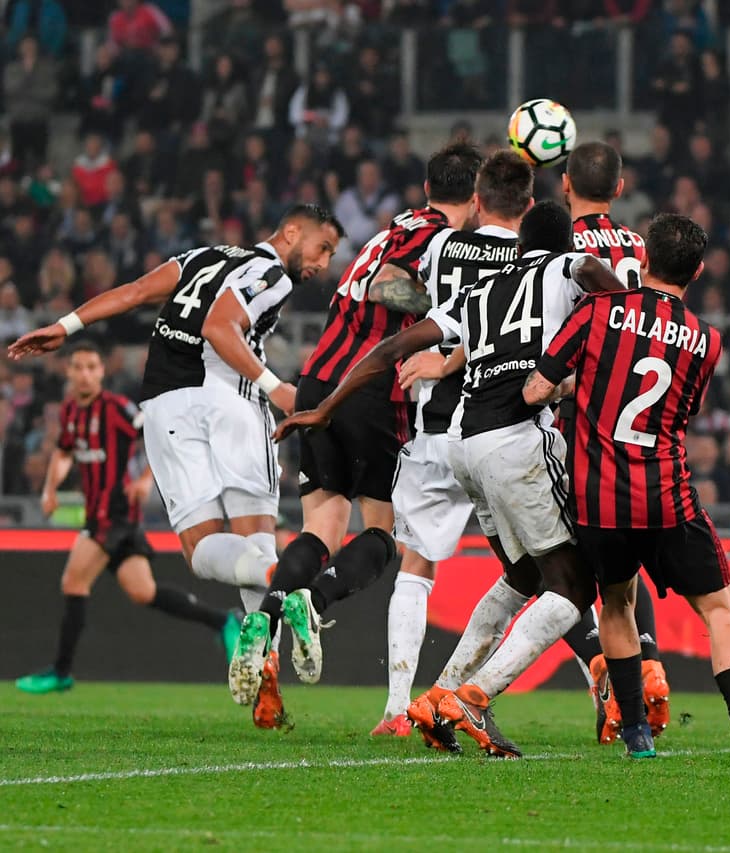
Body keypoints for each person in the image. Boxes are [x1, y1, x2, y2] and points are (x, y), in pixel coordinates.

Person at [277, 201, 617, 758]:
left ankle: (431, 697)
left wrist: (325, 406)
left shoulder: (474, 288)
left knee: (519, 575)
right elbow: (585, 271)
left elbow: (390, 347)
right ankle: (475, 697)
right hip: (518, 439)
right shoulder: (563, 267)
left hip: (460, 442)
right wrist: (634, 309)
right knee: (574, 584)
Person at [9, 203, 343, 729]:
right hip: (229, 400)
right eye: (323, 248)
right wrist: (277, 387)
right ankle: (284, 588)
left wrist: (66, 325)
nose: (323, 263)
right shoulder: (272, 273)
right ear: (292, 231)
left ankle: (268, 679)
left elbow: (135, 292)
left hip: (165, 404)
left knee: (201, 550)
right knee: (258, 539)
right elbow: (219, 327)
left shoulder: (201, 256)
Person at [521, 213, 730, 765]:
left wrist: (580, 389)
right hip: (666, 496)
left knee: (618, 603)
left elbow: (536, 390)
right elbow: (681, 413)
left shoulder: (595, 311)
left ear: (644, 258)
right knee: (720, 610)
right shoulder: (707, 340)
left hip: (599, 499)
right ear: (697, 272)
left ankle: (636, 737)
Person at [226, 144, 482, 728]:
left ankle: (266, 616)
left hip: (318, 381)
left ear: (427, 186)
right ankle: (313, 600)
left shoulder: (393, 228)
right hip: (370, 390)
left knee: (320, 527)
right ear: (474, 199)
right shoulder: (436, 238)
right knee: (382, 534)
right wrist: (444, 316)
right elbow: (385, 285)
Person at [369, 150, 524, 738]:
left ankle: (395, 709)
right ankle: (604, 692)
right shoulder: (533, 259)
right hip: (502, 427)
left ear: (477, 201)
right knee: (550, 566)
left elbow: (394, 289)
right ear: (530, 205)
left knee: (415, 566)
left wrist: (435, 323)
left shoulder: (439, 247)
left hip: (435, 427)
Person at [15, 342, 240, 694]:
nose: (85, 374)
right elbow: (63, 453)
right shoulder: (71, 411)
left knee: (73, 582)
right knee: (143, 592)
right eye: (79, 367)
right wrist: (50, 489)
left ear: (101, 372)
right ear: (69, 372)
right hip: (106, 517)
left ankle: (60, 671)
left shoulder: (117, 408)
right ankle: (224, 620)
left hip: (114, 515)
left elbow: (160, 435)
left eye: (92, 367)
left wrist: (147, 478)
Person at [562, 140, 670, 741]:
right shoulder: (637, 246)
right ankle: (648, 666)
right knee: (621, 562)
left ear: (565, 185)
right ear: (620, 189)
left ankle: (603, 664)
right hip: (631, 414)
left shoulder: (557, 244)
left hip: (569, 414)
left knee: (550, 563)